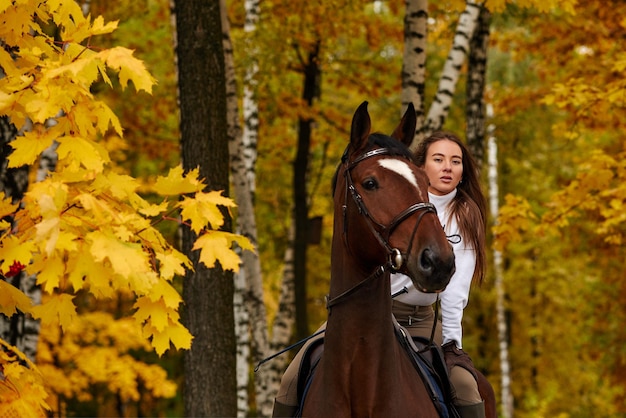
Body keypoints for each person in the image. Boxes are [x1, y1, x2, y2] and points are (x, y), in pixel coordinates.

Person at [391, 130, 487, 418]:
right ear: (421, 167)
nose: (448, 166)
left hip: (421, 320)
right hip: (370, 312)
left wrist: (451, 343)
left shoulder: (465, 214)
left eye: (456, 161)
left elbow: (455, 289)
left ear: (462, 171)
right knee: (292, 380)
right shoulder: (395, 200)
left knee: (465, 388)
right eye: (439, 159)